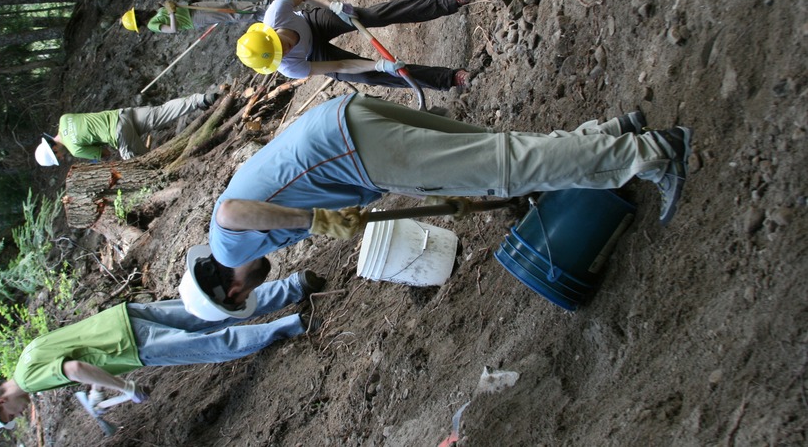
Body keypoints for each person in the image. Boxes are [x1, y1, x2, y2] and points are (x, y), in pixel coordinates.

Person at [182, 94, 693, 316]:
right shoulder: (251, 242)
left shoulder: (228, 246)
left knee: (502, 167)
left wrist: (316, 219)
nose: (255, 287)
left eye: (242, 296)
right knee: (498, 152)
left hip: (351, 153)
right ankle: (610, 135)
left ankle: (653, 154)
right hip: (342, 124)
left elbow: (230, 212)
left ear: (230, 291)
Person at [0, 270, 327, 430]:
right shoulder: (28, 354)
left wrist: (124, 387)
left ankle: (292, 324)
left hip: (131, 345)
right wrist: (99, 386)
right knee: (208, 313)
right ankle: (294, 285)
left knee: (214, 345)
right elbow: (77, 351)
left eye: (9, 416)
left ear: (1, 402)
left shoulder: (29, 380)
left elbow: (76, 367)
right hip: (122, 318)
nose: (18, 415)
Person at [234, 0, 476, 91]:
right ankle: (450, 79)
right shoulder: (290, 67)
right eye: (278, 58)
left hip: (312, 23)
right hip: (315, 56)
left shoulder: (276, 12)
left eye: (280, 47)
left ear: (270, 34)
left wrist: (334, 6)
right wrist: (379, 64)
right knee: (371, 75)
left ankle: (449, 0)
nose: (284, 53)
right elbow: (340, 65)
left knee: (370, 15)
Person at [35, 91, 220, 165]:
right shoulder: (64, 118)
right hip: (122, 115)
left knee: (141, 164)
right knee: (162, 111)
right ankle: (201, 99)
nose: (61, 156)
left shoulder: (75, 149)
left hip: (119, 134)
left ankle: (180, 168)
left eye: (56, 155)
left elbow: (105, 153)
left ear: (53, 147)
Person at [122, 0, 267, 35]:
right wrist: (171, 12)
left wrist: (166, 6)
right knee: (229, 15)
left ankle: (259, 8)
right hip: (195, 18)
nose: (140, 10)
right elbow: (173, 29)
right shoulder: (152, 25)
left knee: (227, 7)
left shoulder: (154, 15)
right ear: (138, 18)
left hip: (193, 9)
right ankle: (262, 14)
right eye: (137, 12)